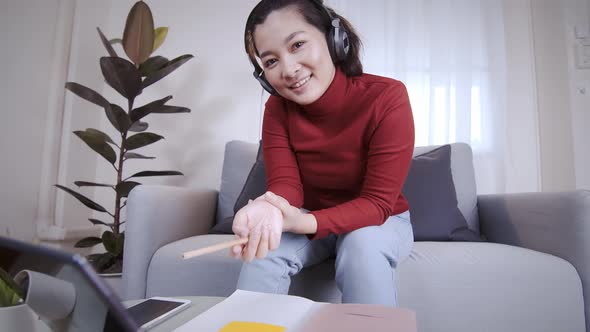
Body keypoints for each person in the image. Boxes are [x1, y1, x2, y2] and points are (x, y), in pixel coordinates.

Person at [229, 0, 415, 307]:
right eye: (271, 62)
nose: (288, 70)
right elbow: (286, 186)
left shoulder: (388, 97)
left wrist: (304, 223)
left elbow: (377, 203)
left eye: (298, 44)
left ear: (334, 39)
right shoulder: (276, 109)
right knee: (265, 249)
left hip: (380, 219)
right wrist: (269, 210)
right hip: (309, 216)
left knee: (362, 245)